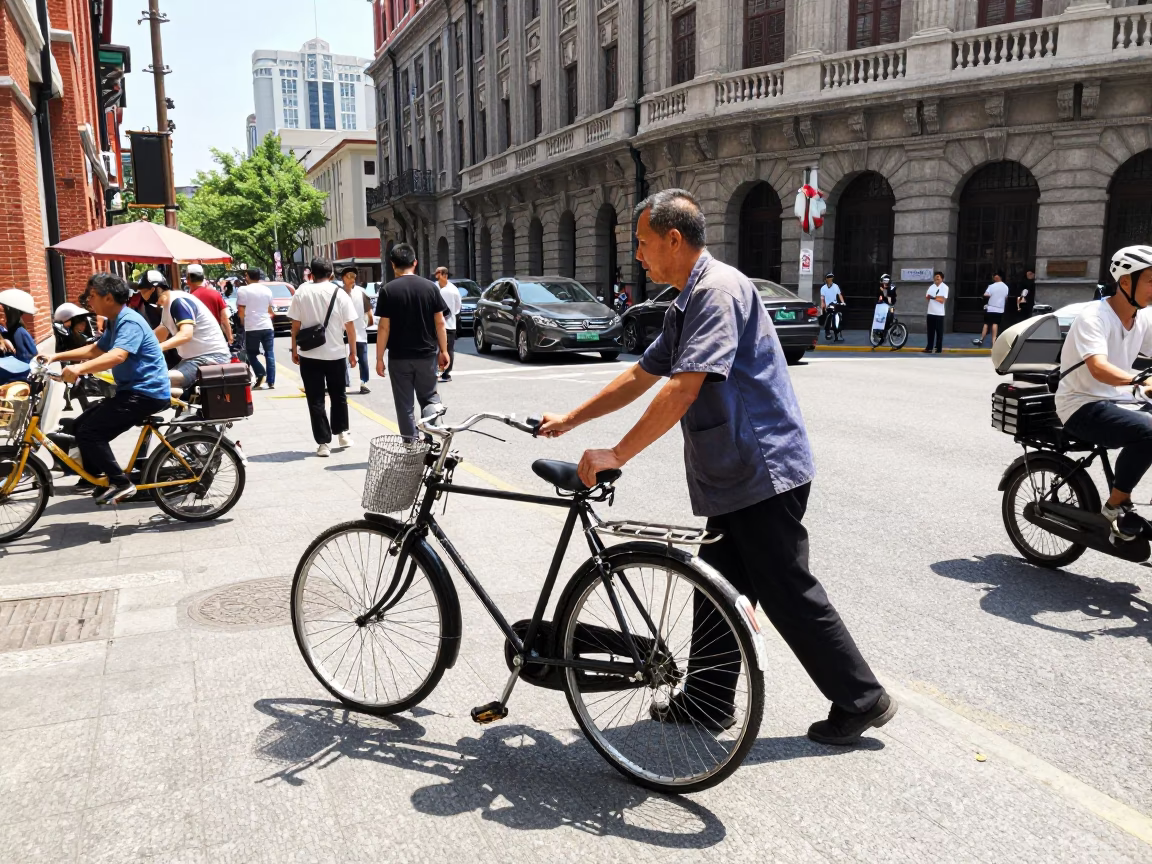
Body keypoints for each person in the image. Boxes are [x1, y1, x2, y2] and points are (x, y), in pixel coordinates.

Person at [539, 189, 894, 744]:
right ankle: (708, 701)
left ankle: (861, 697)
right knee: (719, 585)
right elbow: (642, 375)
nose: (638, 254)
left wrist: (618, 454)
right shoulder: (687, 299)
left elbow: (683, 388)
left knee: (785, 588)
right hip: (737, 473)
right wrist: (573, 418)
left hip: (762, 470)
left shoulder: (718, 291)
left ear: (674, 240)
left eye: (642, 242)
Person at [43, 272, 171, 505]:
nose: (88, 301)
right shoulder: (116, 320)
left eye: (91, 296)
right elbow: (95, 350)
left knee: (91, 433)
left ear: (109, 298)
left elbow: (118, 355)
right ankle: (100, 479)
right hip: (133, 391)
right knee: (81, 425)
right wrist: (55, 356)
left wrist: (79, 370)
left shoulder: (128, 321)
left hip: (146, 392)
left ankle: (121, 483)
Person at [1058, 245, 1152, 540]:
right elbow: (1098, 368)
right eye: (1151, 280)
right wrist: (1139, 382)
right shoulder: (1094, 316)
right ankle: (1114, 506)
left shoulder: (1142, 317)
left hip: (1115, 399)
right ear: (1126, 282)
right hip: (1081, 404)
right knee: (1149, 431)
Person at [374, 243, 450, 440]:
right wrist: (444, 350)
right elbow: (440, 322)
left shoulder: (388, 290)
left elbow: (384, 327)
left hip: (399, 357)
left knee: (404, 404)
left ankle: (411, 445)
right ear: (414, 263)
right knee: (429, 397)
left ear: (392, 264)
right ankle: (433, 436)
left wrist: (379, 358)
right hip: (426, 355)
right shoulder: (430, 288)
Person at [289, 257, 359, 456]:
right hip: (336, 354)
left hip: (309, 354)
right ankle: (342, 433)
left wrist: (294, 350)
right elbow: (350, 327)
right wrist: (353, 352)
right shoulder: (340, 293)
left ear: (311, 273)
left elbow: (295, 325)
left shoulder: (301, 292)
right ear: (331, 274)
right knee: (339, 396)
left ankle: (322, 443)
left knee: (315, 398)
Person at [153, 275, 232, 391]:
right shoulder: (168, 306)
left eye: (144, 291)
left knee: (161, 381)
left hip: (210, 358)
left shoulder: (179, 302)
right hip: (193, 359)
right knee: (161, 384)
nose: (142, 295)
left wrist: (156, 348)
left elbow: (185, 334)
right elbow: (161, 333)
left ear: (158, 289)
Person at [237, 268, 276, 389]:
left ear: (247, 276)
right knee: (269, 353)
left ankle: (260, 372)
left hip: (252, 327)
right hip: (267, 326)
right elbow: (270, 311)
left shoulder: (243, 290)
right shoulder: (267, 290)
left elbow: (241, 311)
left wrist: (242, 324)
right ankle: (271, 381)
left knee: (251, 354)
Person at [339, 266, 373, 395]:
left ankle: (364, 382)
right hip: (342, 332)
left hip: (359, 332)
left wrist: (367, 322)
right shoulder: (338, 293)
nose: (352, 279)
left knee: (362, 359)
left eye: (354, 276)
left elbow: (369, 311)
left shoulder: (361, 292)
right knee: (342, 360)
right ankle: (344, 382)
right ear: (343, 278)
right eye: (349, 276)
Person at [186, 264, 233, 345]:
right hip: (216, 338)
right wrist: (230, 337)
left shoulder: (188, 298)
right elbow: (224, 318)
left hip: (197, 340)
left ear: (188, 280)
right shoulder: (215, 294)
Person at [435, 266, 462, 382]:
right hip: (435, 324)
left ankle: (445, 373)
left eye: (437, 273)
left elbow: (457, 307)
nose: (435, 275)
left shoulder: (453, 290)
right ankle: (437, 372)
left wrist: (449, 316)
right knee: (436, 349)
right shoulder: (433, 287)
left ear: (443, 275)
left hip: (449, 325)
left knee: (448, 349)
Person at [0, 289, 38, 361]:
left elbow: (29, 356)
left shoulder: (20, 332)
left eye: (5, 309)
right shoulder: (9, 330)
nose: (3, 312)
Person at [973, 272, 1009, 346]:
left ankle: (981, 339)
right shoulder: (1006, 287)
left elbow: (986, 294)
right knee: (995, 324)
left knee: (986, 323)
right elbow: (1006, 297)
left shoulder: (991, 286)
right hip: (1000, 308)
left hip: (991, 307)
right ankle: (994, 341)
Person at [923, 271, 949, 354]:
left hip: (939, 313)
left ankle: (938, 348)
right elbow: (927, 297)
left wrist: (934, 297)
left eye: (938, 277)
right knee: (930, 331)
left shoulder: (945, 287)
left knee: (939, 332)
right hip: (930, 312)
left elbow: (942, 300)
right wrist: (936, 297)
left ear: (942, 279)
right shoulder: (931, 287)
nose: (936, 279)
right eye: (935, 277)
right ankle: (929, 347)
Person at [819, 273, 844, 341]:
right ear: (826, 279)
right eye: (829, 278)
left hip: (835, 304)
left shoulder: (836, 286)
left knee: (838, 318)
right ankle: (827, 332)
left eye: (831, 278)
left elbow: (839, 295)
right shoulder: (823, 288)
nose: (830, 279)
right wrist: (823, 304)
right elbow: (822, 298)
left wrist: (843, 302)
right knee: (828, 318)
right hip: (828, 306)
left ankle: (837, 333)